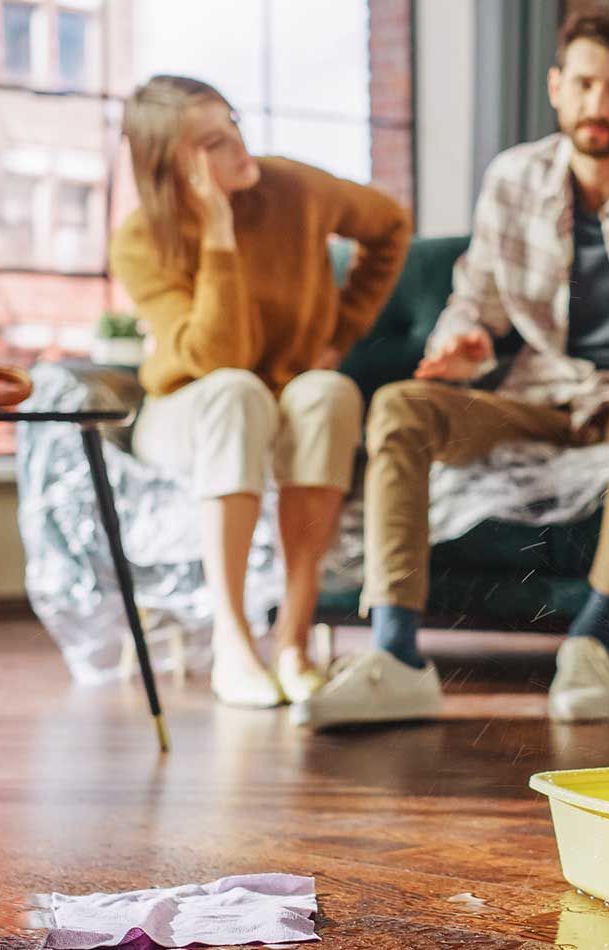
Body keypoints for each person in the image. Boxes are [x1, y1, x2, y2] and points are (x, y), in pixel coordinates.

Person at [292, 8, 609, 729]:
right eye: (586, 85)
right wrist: (464, 343)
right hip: (542, 393)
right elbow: (476, 300)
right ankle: (398, 654)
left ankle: (591, 639)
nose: (599, 105)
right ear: (556, 86)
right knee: (402, 406)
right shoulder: (515, 178)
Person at [111, 75, 411, 709]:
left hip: (282, 396)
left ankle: (294, 641)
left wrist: (343, 331)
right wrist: (217, 234)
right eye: (214, 143)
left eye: (235, 125)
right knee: (234, 391)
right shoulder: (141, 240)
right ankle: (233, 640)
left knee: (329, 392)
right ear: (173, 164)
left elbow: (390, 224)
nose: (240, 148)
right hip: (187, 409)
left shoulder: (294, 189)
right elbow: (218, 358)